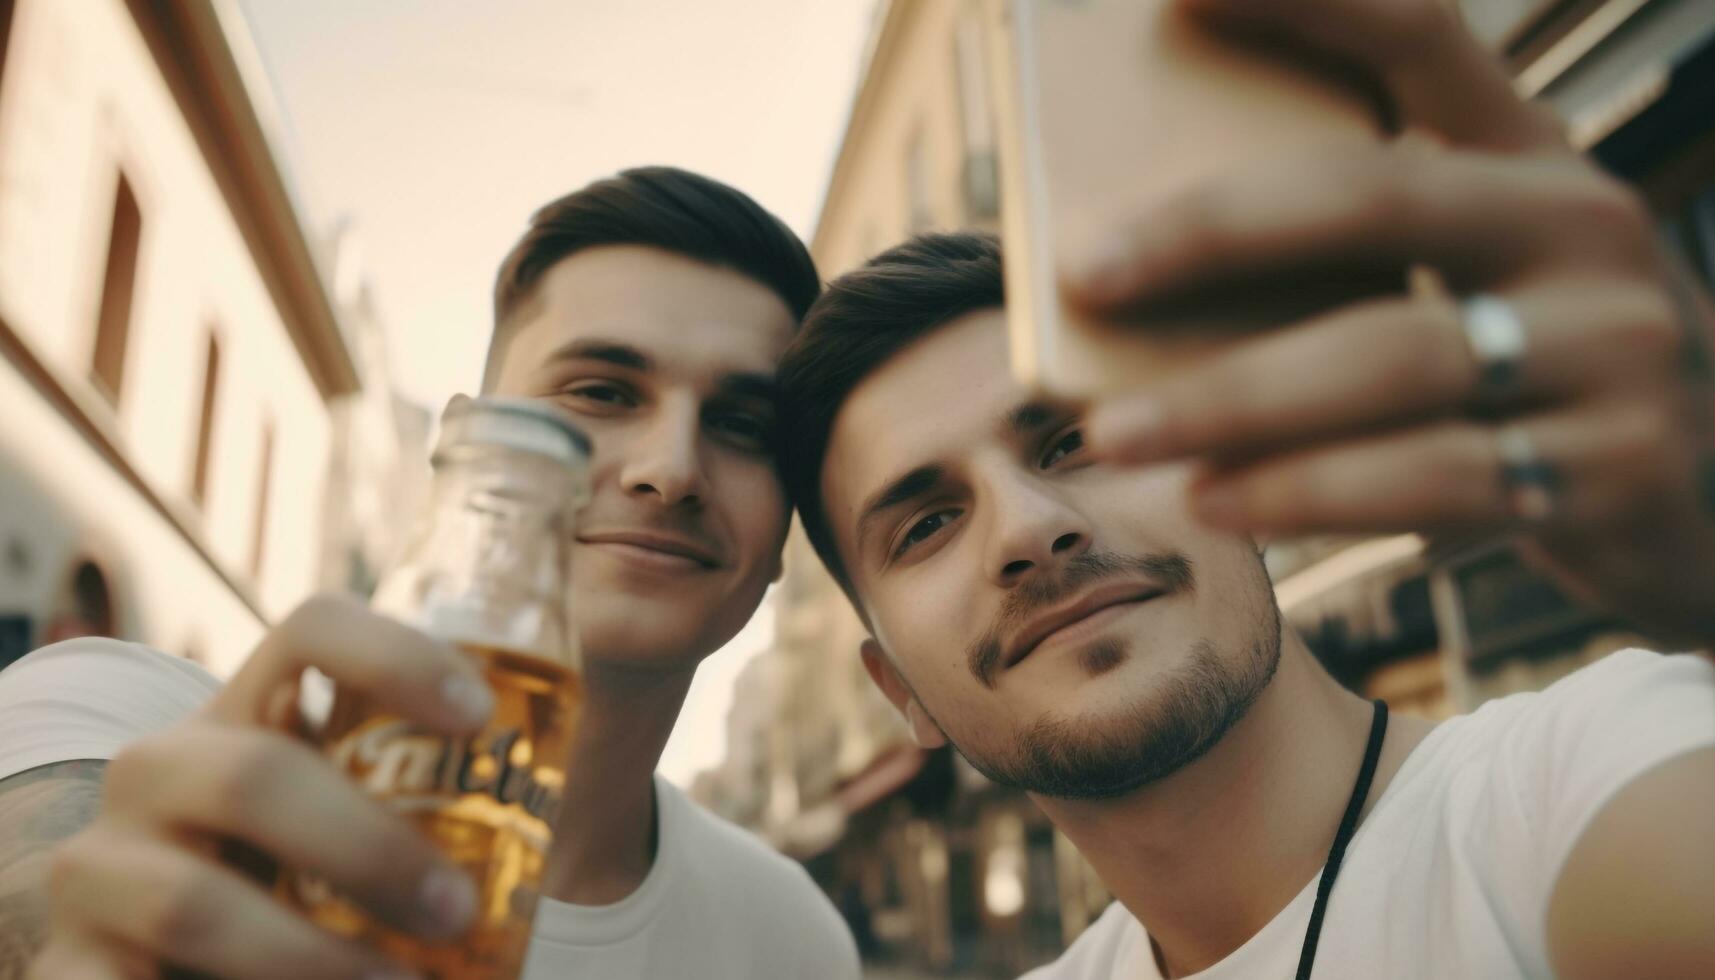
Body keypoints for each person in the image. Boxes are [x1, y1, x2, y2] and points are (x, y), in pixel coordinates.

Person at [774, 3, 1715, 968]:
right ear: (901, 696)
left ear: (1232, 464)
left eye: (1070, 442)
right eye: (926, 523)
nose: (1027, 527)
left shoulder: (1577, 788)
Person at [1, 167, 860, 980]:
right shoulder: (107, 719)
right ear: (461, 449)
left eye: (744, 424)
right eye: (600, 392)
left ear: (786, 524)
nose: (670, 469)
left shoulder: (794, 939)